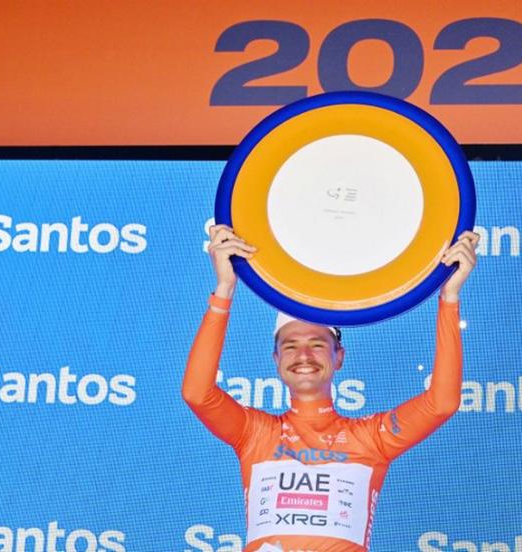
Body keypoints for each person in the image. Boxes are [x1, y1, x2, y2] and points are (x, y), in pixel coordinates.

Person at [182, 224, 479, 552]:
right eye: (291, 345)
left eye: (317, 344)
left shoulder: (370, 438)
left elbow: (441, 403)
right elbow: (198, 393)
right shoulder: (255, 433)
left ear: (340, 357)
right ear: (275, 358)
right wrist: (224, 288)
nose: (304, 355)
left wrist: (449, 298)